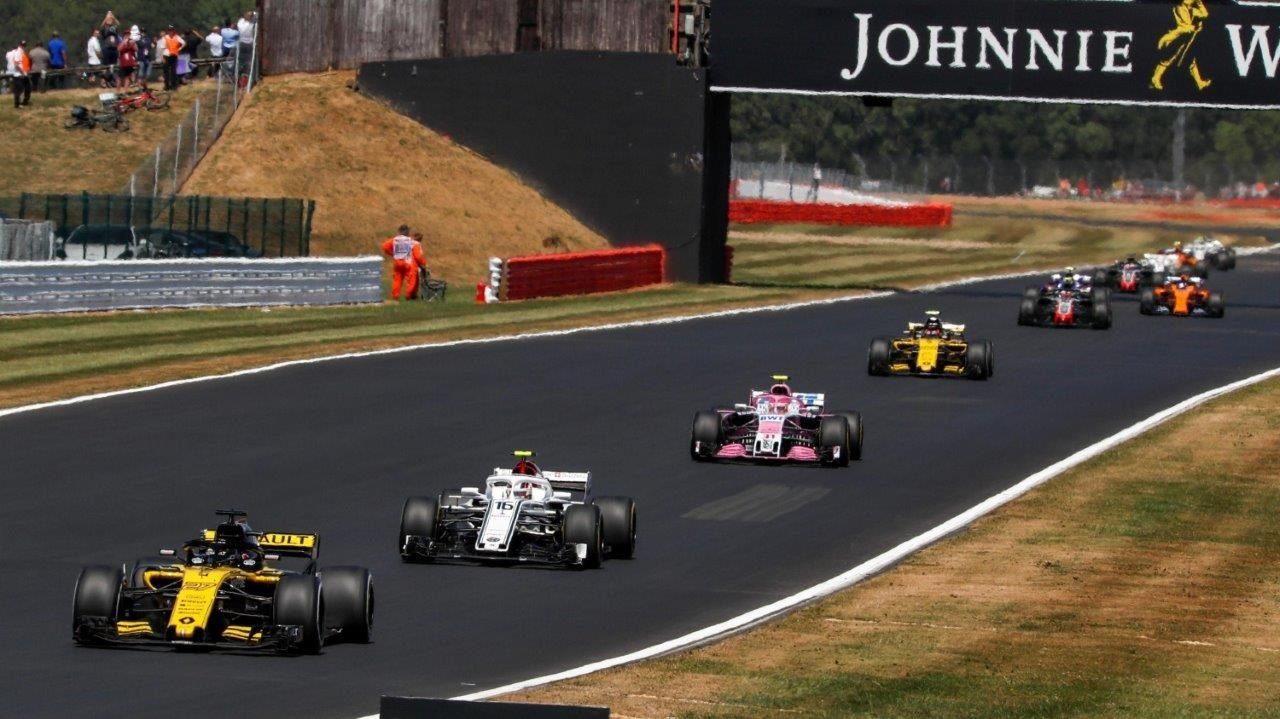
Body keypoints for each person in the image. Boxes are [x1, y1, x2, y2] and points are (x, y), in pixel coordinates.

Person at [1152, 0, 1211, 92]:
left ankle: (1199, 83)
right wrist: (1196, 28)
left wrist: (1200, 4)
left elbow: (1205, 15)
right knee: (1168, 58)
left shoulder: (1192, 10)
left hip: (1185, 39)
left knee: (1191, 60)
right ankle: (1155, 79)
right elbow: (1185, 26)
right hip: (1175, 38)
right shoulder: (1179, 8)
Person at [381, 225, 427, 300]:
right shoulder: (411, 242)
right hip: (408, 263)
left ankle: (395, 296)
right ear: (406, 231)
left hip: (397, 262)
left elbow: (384, 246)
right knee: (412, 278)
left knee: (397, 279)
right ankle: (408, 295)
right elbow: (418, 256)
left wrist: (392, 253)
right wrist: (423, 263)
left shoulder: (394, 240)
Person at [6, 41, 32, 109]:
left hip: (23, 73)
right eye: (22, 45)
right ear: (19, 45)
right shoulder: (18, 52)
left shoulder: (23, 52)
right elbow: (16, 64)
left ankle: (24, 102)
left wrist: (27, 70)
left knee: (26, 88)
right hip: (18, 74)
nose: (23, 46)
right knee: (19, 90)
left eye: (24, 45)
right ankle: (17, 104)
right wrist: (22, 72)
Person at [159, 27, 185, 92]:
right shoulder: (165, 38)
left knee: (174, 72)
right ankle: (167, 86)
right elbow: (162, 49)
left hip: (174, 56)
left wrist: (179, 49)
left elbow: (184, 43)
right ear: (168, 31)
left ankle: (174, 86)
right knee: (166, 72)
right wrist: (162, 57)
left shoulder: (177, 37)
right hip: (166, 56)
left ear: (174, 31)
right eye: (170, 31)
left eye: (172, 30)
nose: (171, 32)